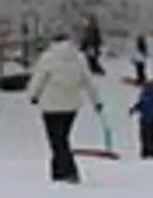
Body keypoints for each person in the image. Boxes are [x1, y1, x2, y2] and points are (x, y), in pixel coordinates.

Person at [26, 30, 103, 184]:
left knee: (57, 140)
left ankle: (69, 171)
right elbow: (88, 81)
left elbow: (38, 79)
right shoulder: (78, 58)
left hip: (51, 106)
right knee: (62, 138)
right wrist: (96, 101)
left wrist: (33, 96)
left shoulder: (48, 58)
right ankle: (58, 172)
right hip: (71, 106)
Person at [131, 78, 153, 160]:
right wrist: (135, 108)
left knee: (151, 136)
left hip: (152, 120)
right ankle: (145, 152)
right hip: (144, 119)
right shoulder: (144, 94)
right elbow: (141, 103)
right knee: (143, 135)